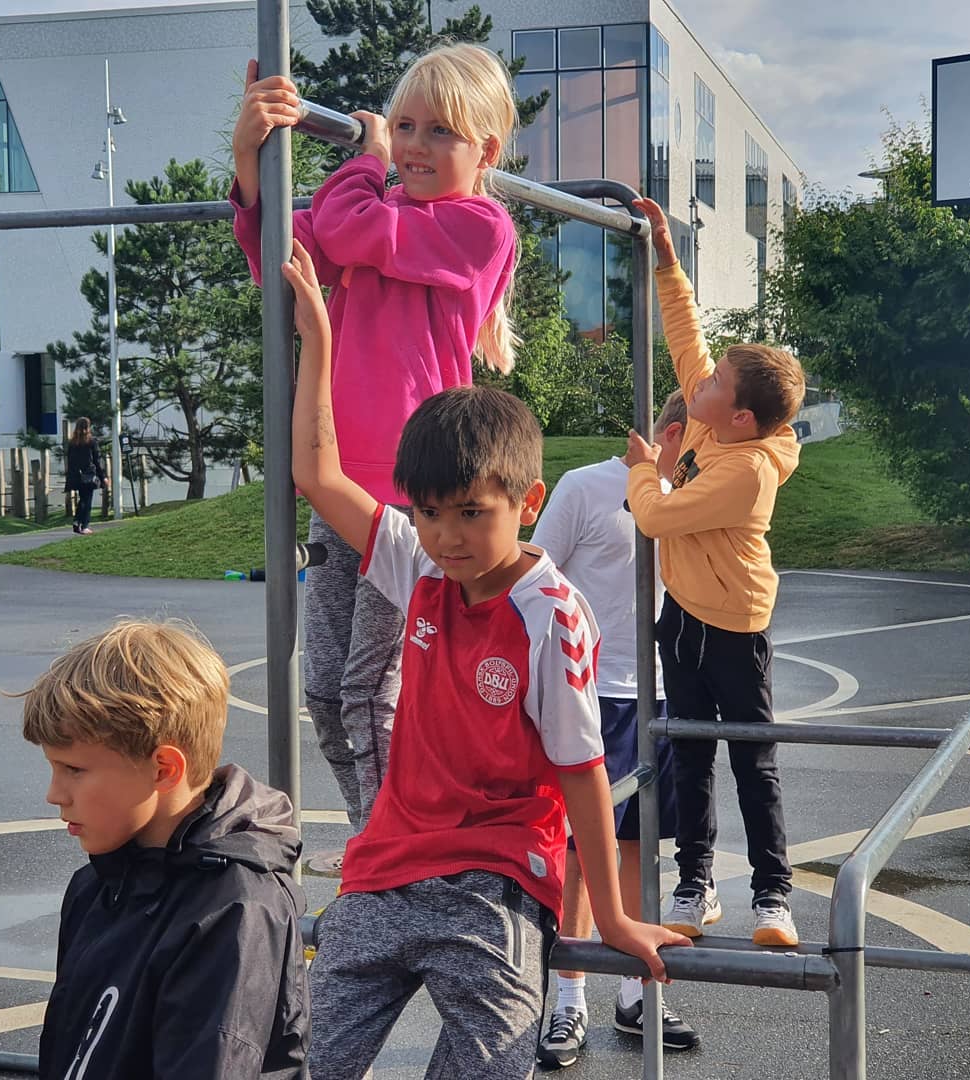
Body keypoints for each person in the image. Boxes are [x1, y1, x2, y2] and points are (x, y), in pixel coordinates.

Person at [283, 238, 689, 1080]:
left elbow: (581, 772)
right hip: (389, 864)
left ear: (527, 502)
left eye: (471, 513)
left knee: (487, 1066)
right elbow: (317, 475)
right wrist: (318, 337)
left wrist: (609, 918)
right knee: (307, 1058)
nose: (447, 536)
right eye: (429, 513)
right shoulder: (420, 562)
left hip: (496, 878)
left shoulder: (550, 616)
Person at [231, 43, 520, 852]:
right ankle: (381, 836)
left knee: (373, 690)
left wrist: (366, 158)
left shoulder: (476, 226)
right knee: (325, 690)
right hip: (337, 491)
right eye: (404, 126)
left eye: (440, 133)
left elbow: (349, 228)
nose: (414, 146)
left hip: (412, 501)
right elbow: (282, 254)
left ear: (486, 153)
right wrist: (252, 160)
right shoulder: (379, 216)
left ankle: (404, 848)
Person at [624, 196, 807, 950]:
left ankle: (773, 895)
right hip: (686, 618)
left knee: (750, 760)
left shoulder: (750, 472)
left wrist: (646, 471)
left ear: (740, 419)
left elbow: (658, 516)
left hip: (737, 625)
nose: (696, 382)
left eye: (712, 385)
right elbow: (686, 336)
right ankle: (694, 884)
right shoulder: (712, 413)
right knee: (687, 754)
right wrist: (667, 256)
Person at [20, 620, 309, 1079]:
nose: (54, 793)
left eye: (73, 769)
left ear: (163, 769)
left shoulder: (234, 912)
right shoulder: (96, 884)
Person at [531, 390, 698, 1068]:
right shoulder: (585, 487)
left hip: (658, 698)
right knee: (575, 854)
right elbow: (534, 573)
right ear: (678, 433)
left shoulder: (696, 497)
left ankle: (635, 990)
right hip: (590, 696)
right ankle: (568, 998)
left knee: (636, 848)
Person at [64, 417, 107, 535]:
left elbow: (70, 460)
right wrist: (102, 477)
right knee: (87, 500)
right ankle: (84, 524)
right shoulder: (91, 442)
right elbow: (96, 461)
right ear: (87, 428)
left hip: (76, 475)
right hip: (88, 475)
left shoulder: (72, 443)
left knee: (82, 499)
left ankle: (77, 521)